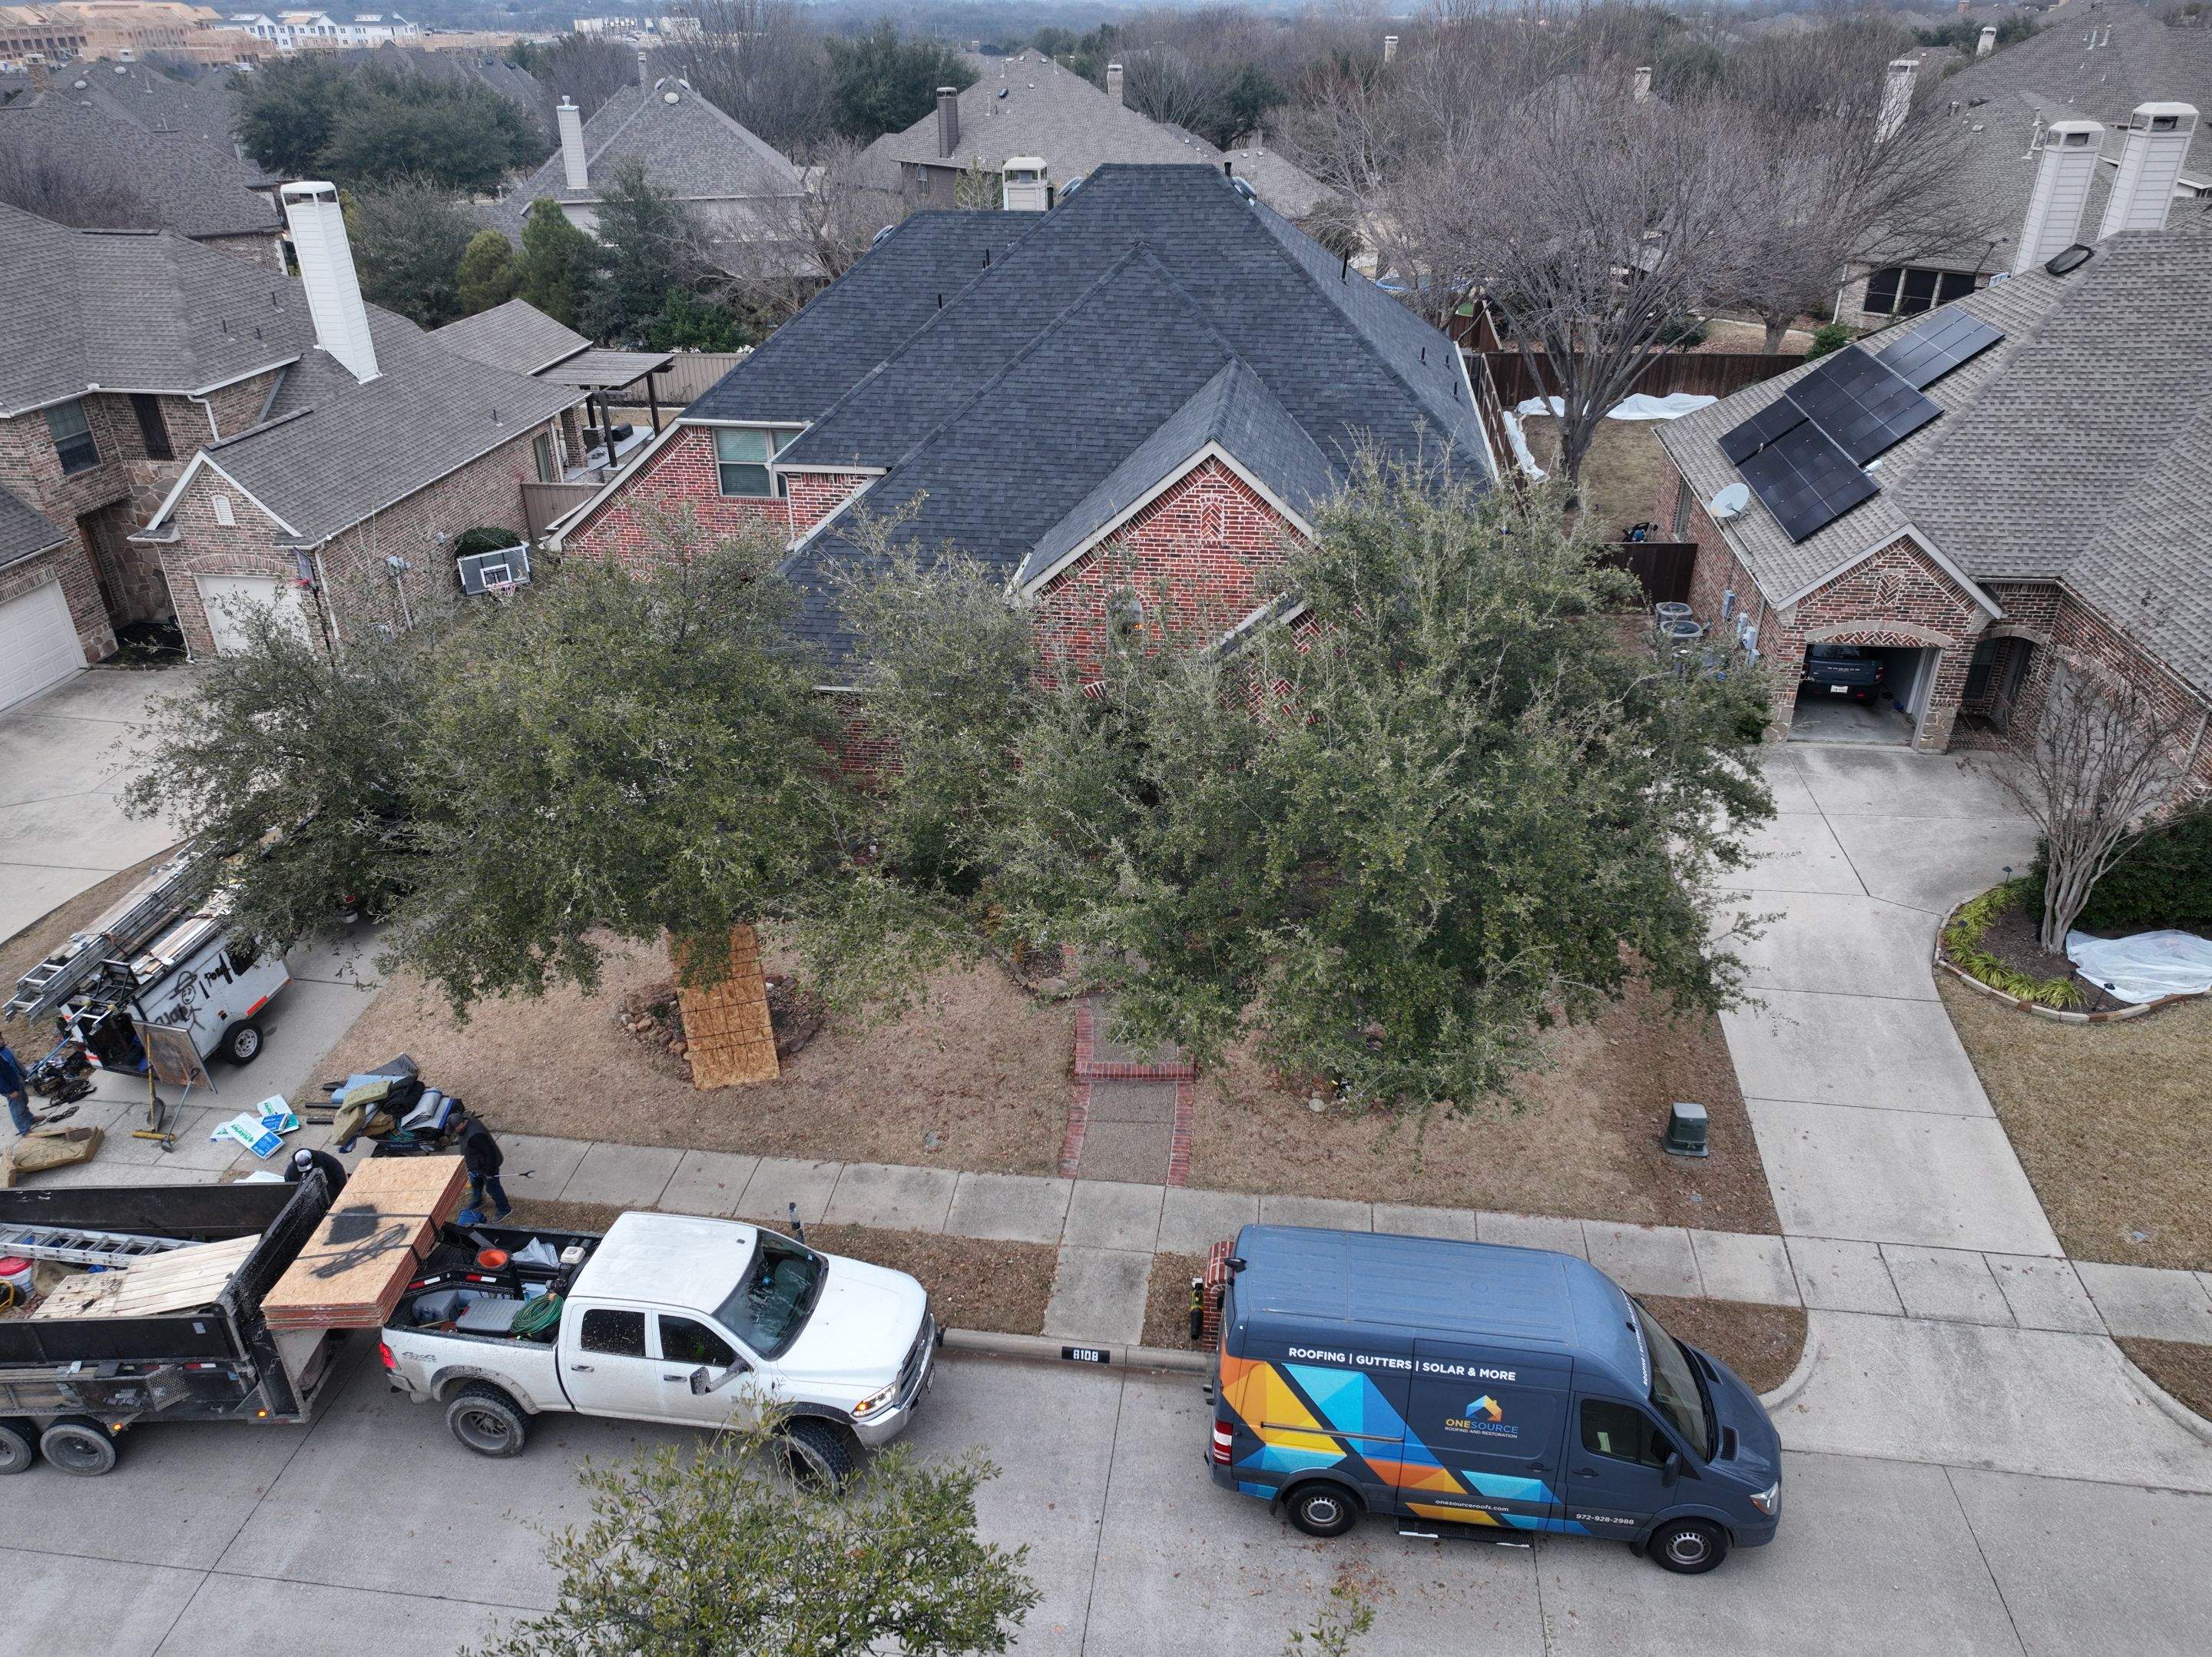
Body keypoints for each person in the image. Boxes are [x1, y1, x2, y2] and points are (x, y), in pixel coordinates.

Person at [458, 1113, 511, 1220]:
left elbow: (490, 1153)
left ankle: (505, 1209)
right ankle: (478, 1201)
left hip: (486, 1168)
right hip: (475, 1167)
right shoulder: (466, 1125)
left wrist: (489, 1172)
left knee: (493, 1189)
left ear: (461, 1125)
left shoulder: (475, 1136)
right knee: (476, 1184)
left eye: (454, 1129)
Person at [1, 1038, 41, 1137]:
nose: (2, 1040)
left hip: (18, 1080)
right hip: (10, 1087)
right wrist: (10, 1091)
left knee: (24, 1101)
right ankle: (24, 1130)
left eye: (1, 1038)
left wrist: (24, 1074)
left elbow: (16, 1062)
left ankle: (30, 1119)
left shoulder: (5, 1050)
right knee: (17, 1108)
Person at [284, 1145, 349, 1194]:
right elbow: (290, 1187)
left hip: (330, 1187)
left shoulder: (322, 1157)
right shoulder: (291, 1170)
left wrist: (342, 1189)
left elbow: (338, 1170)